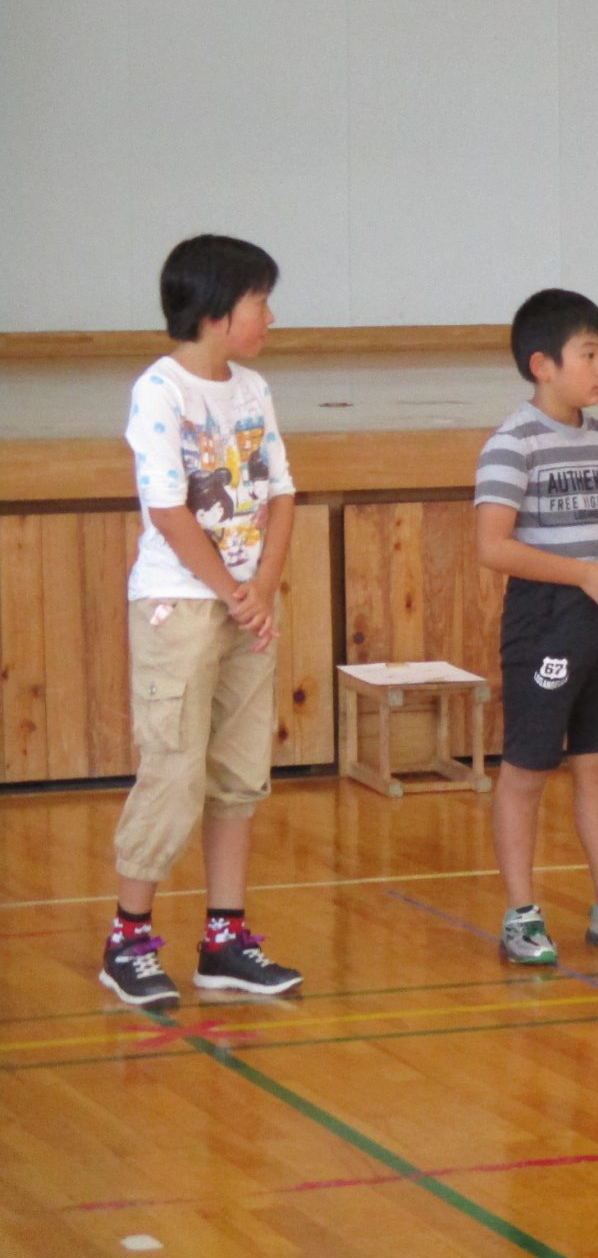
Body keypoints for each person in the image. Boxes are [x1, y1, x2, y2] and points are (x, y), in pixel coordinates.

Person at [102, 235, 303, 1008]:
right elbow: (168, 508)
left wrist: (264, 587)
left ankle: (225, 938)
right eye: (261, 301)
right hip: (180, 605)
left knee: (238, 773)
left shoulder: (252, 389)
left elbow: (281, 491)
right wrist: (230, 591)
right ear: (219, 310)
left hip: (244, 603)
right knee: (173, 769)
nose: (271, 317)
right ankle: (129, 939)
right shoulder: (160, 391)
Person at [474, 289, 598, 963]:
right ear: (543, 365)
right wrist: (580, 574)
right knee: (528, 768)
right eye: (588, 354)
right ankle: (520, 914)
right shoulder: (512, 445)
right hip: (546, 622)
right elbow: (493, 545)